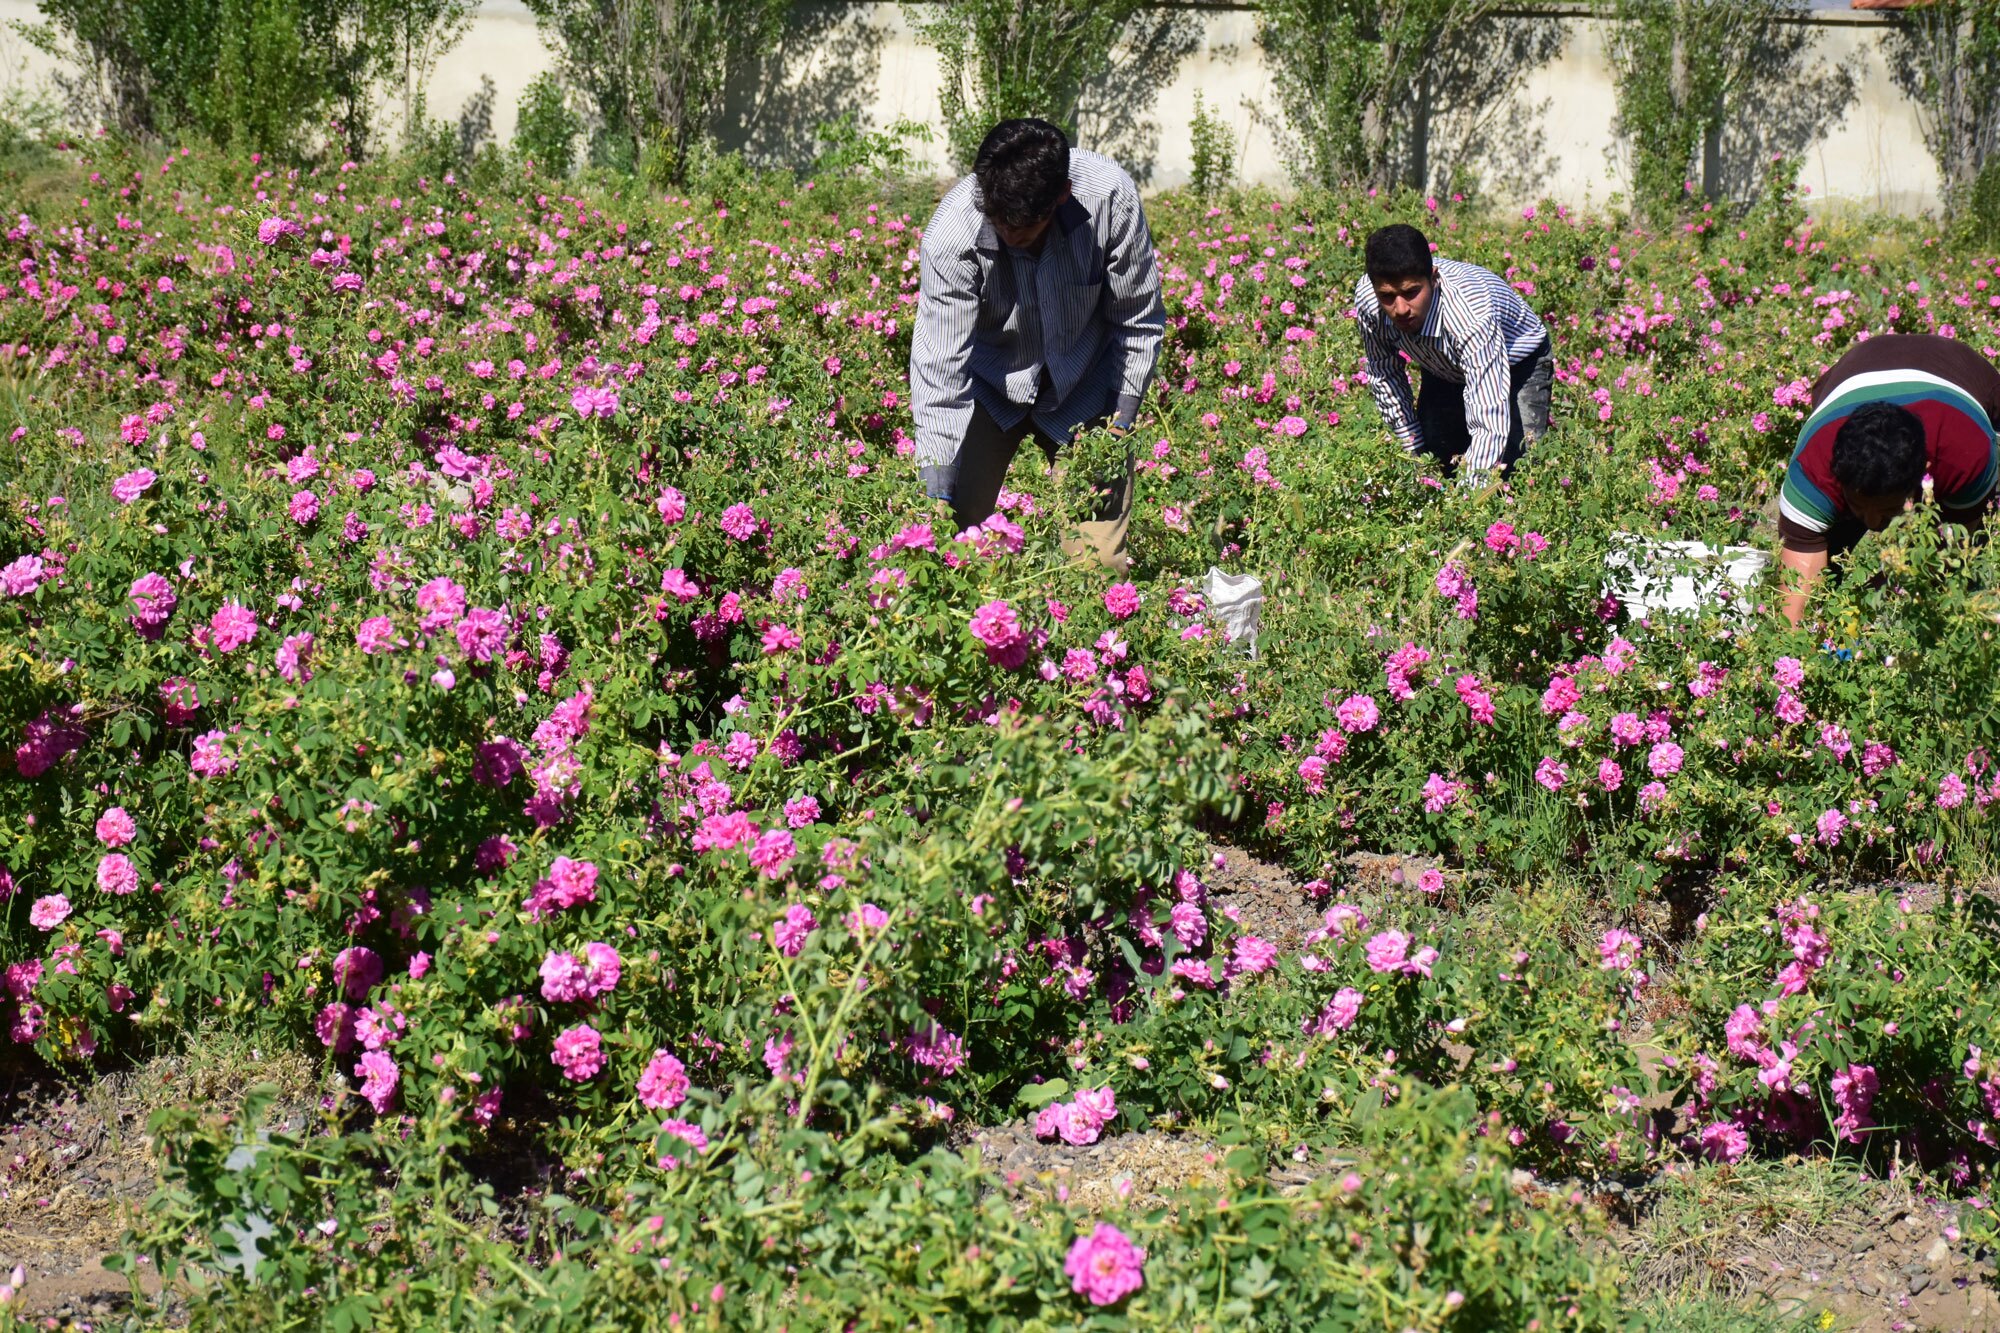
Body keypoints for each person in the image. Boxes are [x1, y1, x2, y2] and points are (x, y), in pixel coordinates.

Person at [909, 118, 1164, 571]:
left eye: (1022, 230)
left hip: (1087, 388)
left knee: (1098, 562)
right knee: (953, 542)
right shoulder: (952, 237)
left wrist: (1121, 420)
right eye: (997, 222)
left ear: (1061, 196)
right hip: (988, 389)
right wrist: (936, 487)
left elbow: (1137, 318)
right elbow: (940, 371)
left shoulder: (1109, 199)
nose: (1008, 236)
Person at [1777, 333, 1999, 626]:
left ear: (1922, 476)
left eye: (1886, 510)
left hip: (1965, 377)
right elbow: (1792, 616)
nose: (1871, 523)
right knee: (1824, 574)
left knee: (1961, 576)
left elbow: (1952, 546)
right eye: (1857, 506)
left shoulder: (1967, 453)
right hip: (1857, 370)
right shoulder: (1812, 470)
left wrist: (1880, 597)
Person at [1353, 223, 1554, 480]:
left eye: (1411, 292)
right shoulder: (1369, 301)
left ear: (1434, 279)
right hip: (1443, 361)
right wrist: (1415, 452)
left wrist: (1467, 506)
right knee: (1437, 457)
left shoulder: (1470, 316)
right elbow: (1384, 373)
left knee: (1516, 466)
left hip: (1519, 362)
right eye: (1388, 296)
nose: (1400, 308)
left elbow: (1489, 420)